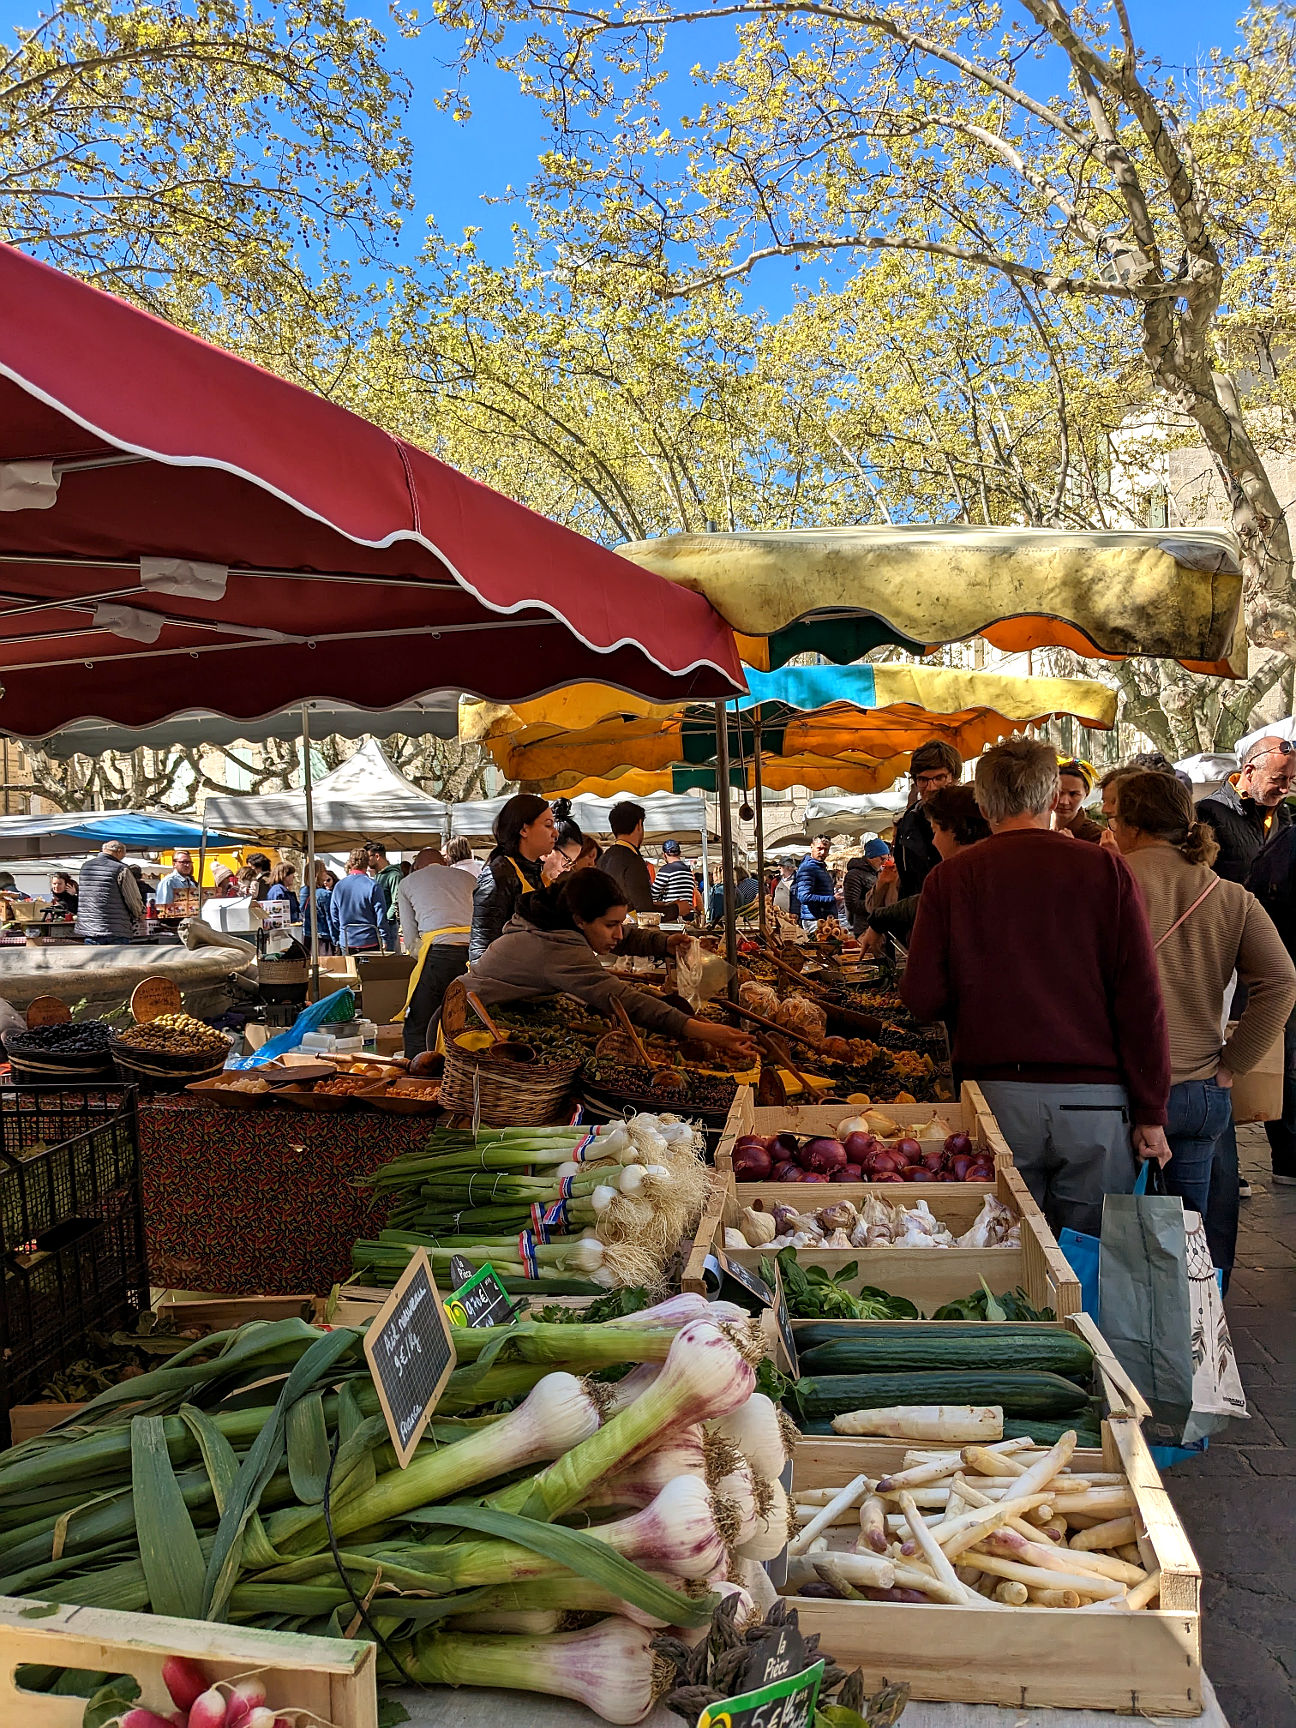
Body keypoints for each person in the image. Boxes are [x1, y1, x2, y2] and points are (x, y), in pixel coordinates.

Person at [902, 737, 1170, 1236]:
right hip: (1095, 1103)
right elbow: (1141, 999)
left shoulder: (950, 880)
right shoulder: (1106, 869)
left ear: (982, 805)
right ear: (1052, 799)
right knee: (1092, 1258)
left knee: (1004, 1256)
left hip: (996, 1100)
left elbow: (922, 998)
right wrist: (1151, 1111)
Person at [1112, 771, 1295, 1233]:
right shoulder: (1230, 896)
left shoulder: (1108, 885)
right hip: (1201, 1089)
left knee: (1113, 1232)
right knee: (1187, 1230)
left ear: (1131, 825)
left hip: (1120, 1090)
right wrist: (1234, 1064)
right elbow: (1282, 979)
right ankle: (1192, 1303)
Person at [468, 867, 760, 1063]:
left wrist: (662, 944)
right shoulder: (555, 946)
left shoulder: (555, 918)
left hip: (506, 1009)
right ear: (579, 919)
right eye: (611, 924)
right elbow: (622, 999)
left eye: (620, 923)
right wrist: (702, 1031)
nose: (618, 933)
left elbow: (618, 935)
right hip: (473, 1023)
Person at [863, 785, 990, 952]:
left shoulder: (979, 874)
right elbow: (925, 901)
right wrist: (879, 919)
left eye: (935, 831)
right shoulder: (968, 871)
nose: (934, 841)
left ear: (955, 831)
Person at [397, 850, 476, 1055]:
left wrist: (420, 959)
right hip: (474, 955)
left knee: (417, 1026)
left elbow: (411, 938)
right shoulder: (468, 878)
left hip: (438, 954)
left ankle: (418, 1079)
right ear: (444, 863)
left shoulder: (408, 883)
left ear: (416, 867)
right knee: (467, 1023)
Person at [1197, 736, 1296, 883]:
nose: (1285, 789)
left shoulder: (1281, 813)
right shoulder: (1207, 812)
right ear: (1249, 772)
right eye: (1277, 779)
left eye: (1292, 779)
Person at [470, 794, 555, 961]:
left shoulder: (535, 873)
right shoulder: (497, 876)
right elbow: (482, 948)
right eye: (548, 825)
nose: (555, 833)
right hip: (507, 978)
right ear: (524, 830)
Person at [893, 741, 962, 896]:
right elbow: (907, 884)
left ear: (954, 777)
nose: (931, 787)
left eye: (939, 778)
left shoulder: (973, 818)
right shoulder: (908, 823)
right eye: (923, 780)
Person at [76, 840, 145, 943]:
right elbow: (132, 898)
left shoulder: (86, 867)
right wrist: (140, 913)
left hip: (89, 929)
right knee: (118, 959)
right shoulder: (121, 868)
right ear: (120, 851)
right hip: (115, 929)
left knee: (95, 959)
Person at [330, 847, 396, 953]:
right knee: (370, 970)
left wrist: (339, 934)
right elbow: (380, 915)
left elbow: (334, 916)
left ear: (350, 863)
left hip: (347, 939)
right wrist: (384, 937)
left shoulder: (339, 886)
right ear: (367, 864)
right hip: (370, 939)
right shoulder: (373, 885)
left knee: (350, 969)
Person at [599, 801, 655, 912]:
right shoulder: (633, 860)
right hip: (626, 927)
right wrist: (676, 909)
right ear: (639, 824)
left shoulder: (603, 858)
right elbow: (645, 911)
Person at [843, 841, 889, 935]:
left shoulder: (877, 873)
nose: (884, 863)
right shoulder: (854, 875)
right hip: (864, 928)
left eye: (886, 859)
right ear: (871, 856)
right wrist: (877, 905)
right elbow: (852, 904)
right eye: (882, 859)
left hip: (879, 926)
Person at [1053, 760, 1102, 843]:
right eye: (1059, 793)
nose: (1064, 802)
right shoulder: (1040, 828)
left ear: (1086, 794)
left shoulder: (1097, 836)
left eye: (1073, 794)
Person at [794, 836, 837, 926]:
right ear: (811, 847)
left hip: (823, 919)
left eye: (826, 850)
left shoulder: (820, 867)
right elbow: (804, 897)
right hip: (814, 920)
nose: (823, 852)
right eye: (819, 848)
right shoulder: (808, 867)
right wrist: (832, 899)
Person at [653, 840, 697, 913]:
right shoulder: (688, 870)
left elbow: (653, 894)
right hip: (688, 913)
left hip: (673, 915)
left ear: (664, 855)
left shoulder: (666, 870)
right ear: (680, 853)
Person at [367, 843, 403, 918]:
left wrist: (385, 920)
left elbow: (396, 902)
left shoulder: (394, 875)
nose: (366, 861)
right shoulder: (377, 875)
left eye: (368, 857)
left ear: (377, 856)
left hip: (389, 925)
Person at [306, 861, 336, 951]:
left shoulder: (306, 891)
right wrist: (335, 940)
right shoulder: (324, 894)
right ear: (319, 873)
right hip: (325, 937)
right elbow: (330, 918)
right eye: (324, 870)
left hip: (310, 936)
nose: (326, 873)